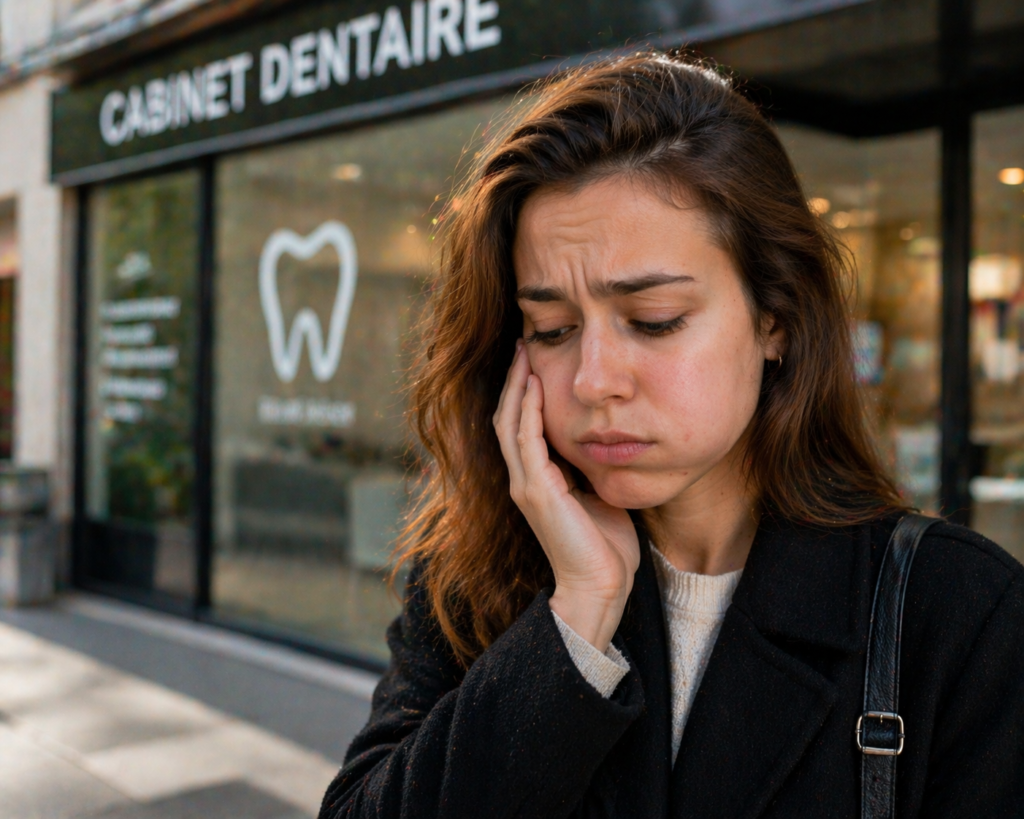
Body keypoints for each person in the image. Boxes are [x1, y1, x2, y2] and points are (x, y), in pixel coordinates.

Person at [319, 53, 1024, 818]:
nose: (594, 379)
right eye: (551, 329)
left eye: (654, 320)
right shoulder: (477, 569)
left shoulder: (957, 615)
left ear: (774, 319)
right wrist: (577, 617)